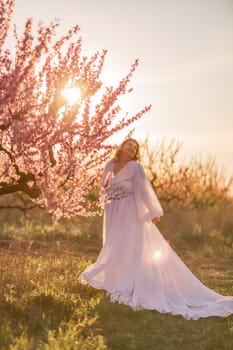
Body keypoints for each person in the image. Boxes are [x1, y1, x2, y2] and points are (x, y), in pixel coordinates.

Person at [79, 138, 233, 320]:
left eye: (134, 148)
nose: (131, 149)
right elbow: (102, 188)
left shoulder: (135, 167)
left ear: (135, 153)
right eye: (129, 145)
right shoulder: (109, 165)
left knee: (127, 246)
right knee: (114, 246)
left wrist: (152, 212)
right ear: (122, 146)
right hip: (112, 210)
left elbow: (143, 189)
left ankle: (129, 283)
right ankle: (115, 279)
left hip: (129, 212)